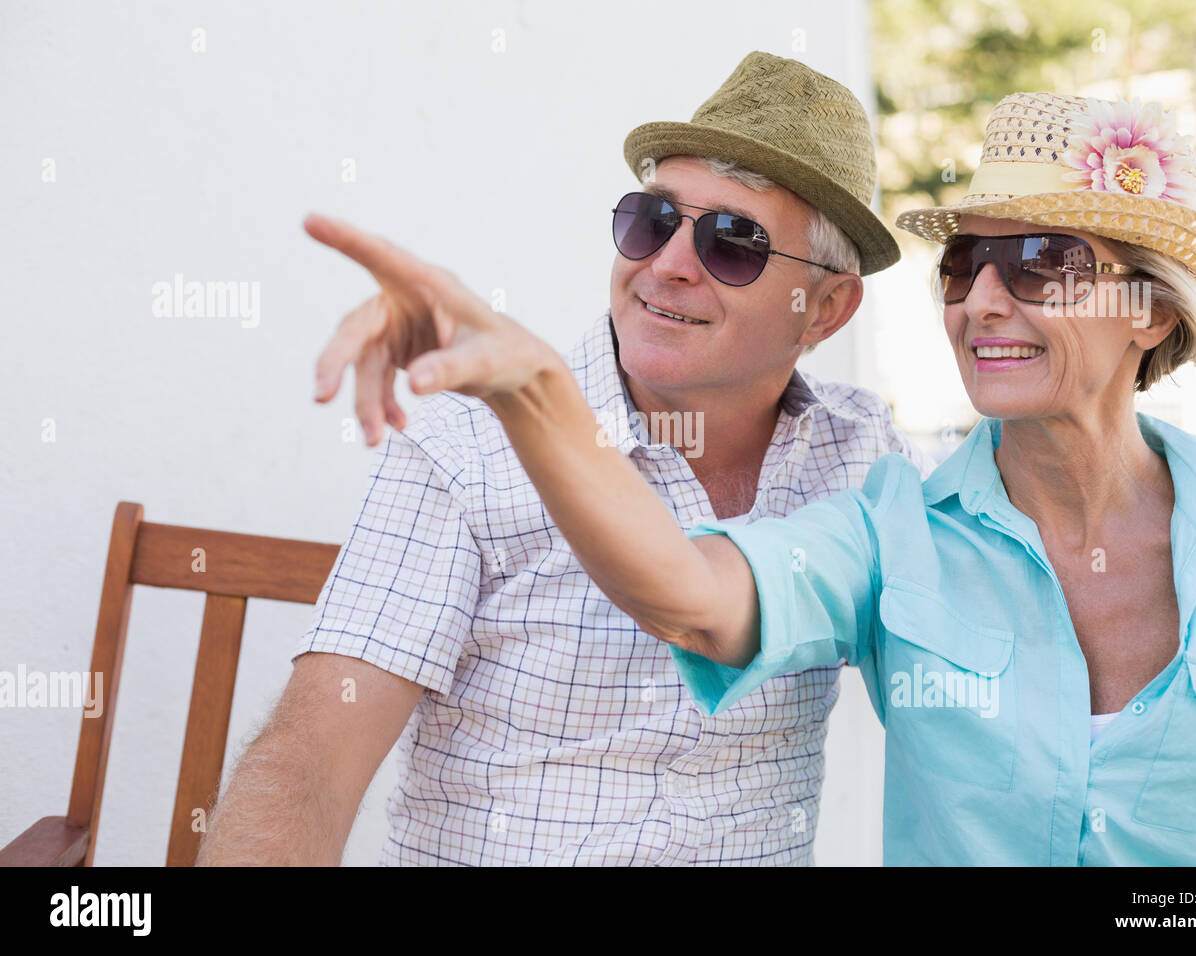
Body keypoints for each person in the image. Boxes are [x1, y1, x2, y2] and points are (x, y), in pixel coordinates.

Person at [280, 91, 1196, 865]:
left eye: (1037, 262)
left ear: (1149, 313)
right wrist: (537, 390)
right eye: (963, 266)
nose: (982, 300)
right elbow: (691, 595)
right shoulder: (896, 520)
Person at [197, 51, 929, 866]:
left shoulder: (862, 454)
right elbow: (311, 767)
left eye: (732, 242)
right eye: (652, 220)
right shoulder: (465, 449)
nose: (668, 264)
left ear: (825, 309)